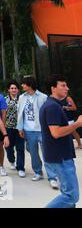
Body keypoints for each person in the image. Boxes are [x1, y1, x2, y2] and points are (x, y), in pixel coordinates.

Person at [41, 75, 82, 208]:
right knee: (71, 195)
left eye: (66, 85)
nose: (67, 88)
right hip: (60, 156)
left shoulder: (54, 105)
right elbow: (56, 132)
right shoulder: (52, 107)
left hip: (60, 155)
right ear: (53, 88)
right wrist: (77, 124)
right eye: (63, 85)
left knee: (67, 195)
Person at [17, 76, 59, 189]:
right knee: (33, 153)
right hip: (28, 130)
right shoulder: (21, 97)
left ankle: (52, 177)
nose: (22, 86)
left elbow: (47, 113)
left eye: (24, 84)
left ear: (29, 84)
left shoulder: (43, 97)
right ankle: (38, 172)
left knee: (47, 153)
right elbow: (20, 113)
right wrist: (20, 128)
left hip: (42, 130)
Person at [4, 81, 26, 177]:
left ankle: (20, 167)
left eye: (15, 88)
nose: (14, 90)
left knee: (20, 148)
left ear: (18, 90)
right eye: (12, 88)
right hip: (8, 127)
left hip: (20, 128)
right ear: (8, 90)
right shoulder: (4, 100)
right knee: (8, 147)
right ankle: (12, 161)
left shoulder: (22, 99)